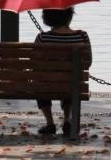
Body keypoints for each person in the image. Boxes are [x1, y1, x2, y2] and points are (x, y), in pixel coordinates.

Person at [34, 7, 92, 136]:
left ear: (47, 18)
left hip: (46, 86)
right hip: (73, 85)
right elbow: (88, 62)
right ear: (69, 17)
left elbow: (35, 64)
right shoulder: (82, 36)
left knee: (39, 81)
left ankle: (50, 123)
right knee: (71, 80)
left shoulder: (42, 38)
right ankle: (67, 120)